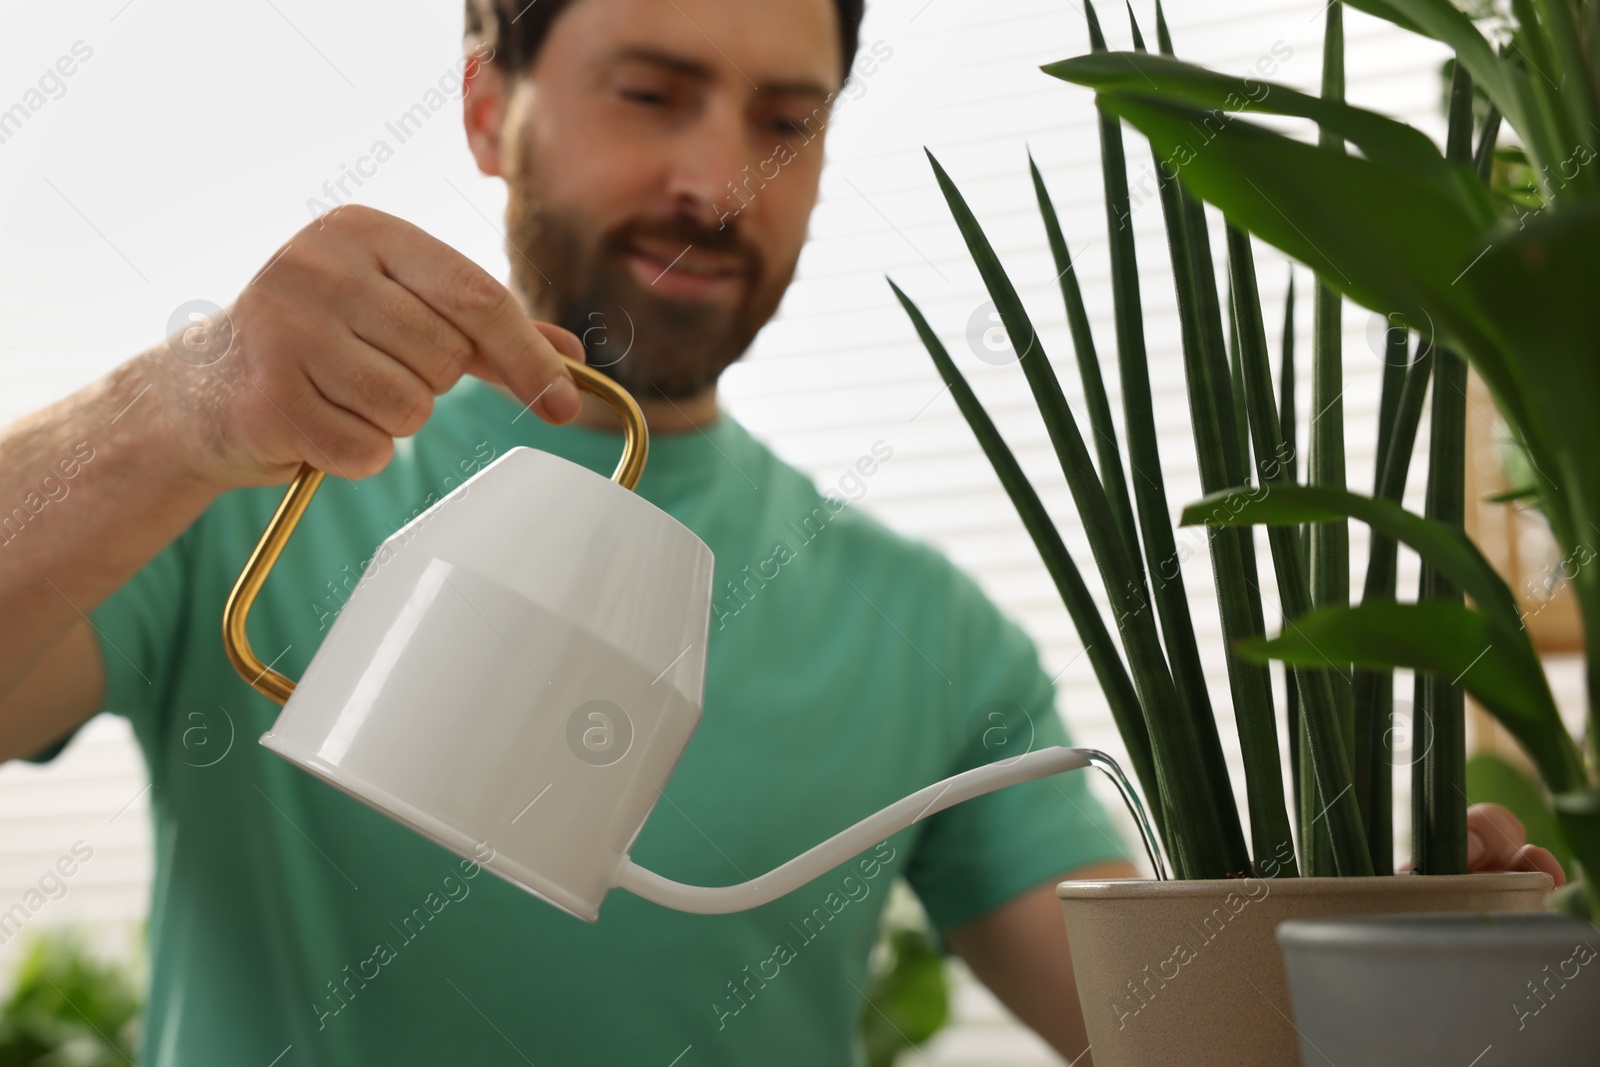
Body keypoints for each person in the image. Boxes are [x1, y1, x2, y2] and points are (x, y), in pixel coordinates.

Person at [0, 1, 1563, 1064]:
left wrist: (1390, 957)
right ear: (488, 100)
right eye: (652, 89)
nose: (713, 181)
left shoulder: (929, 636)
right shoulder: (242, 491)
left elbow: (1156, 1028)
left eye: (783, 120)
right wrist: (184, 408)